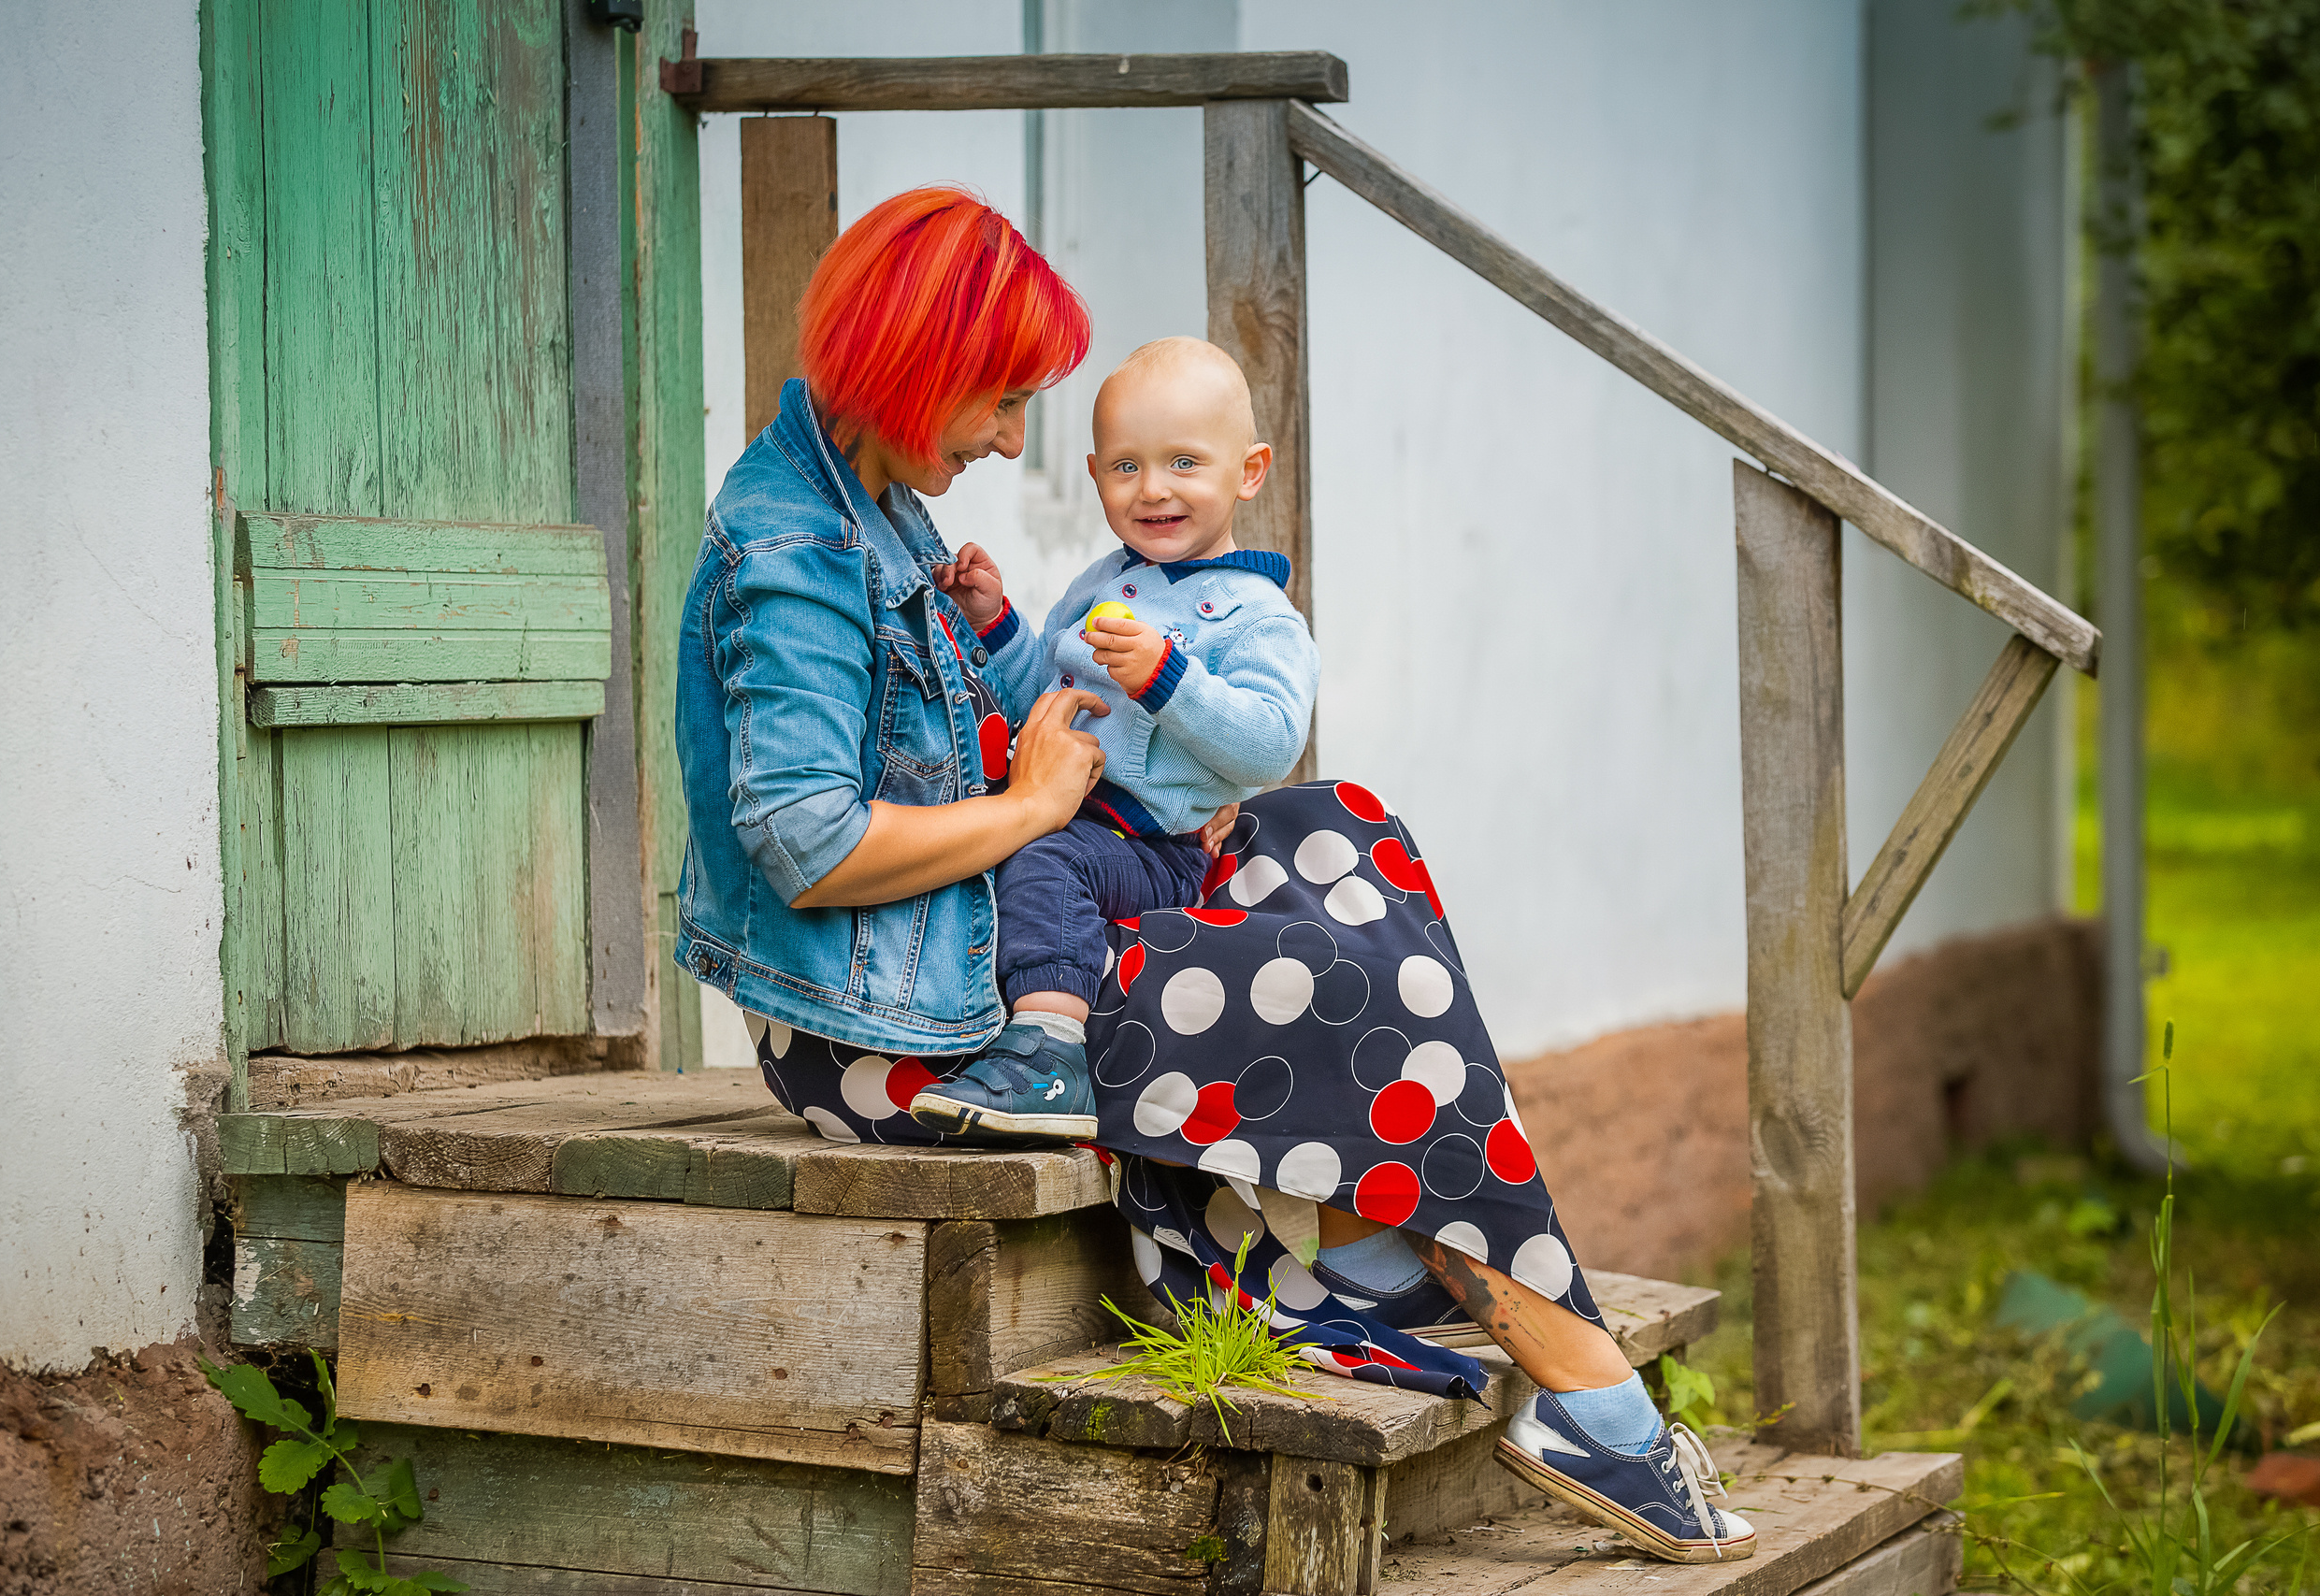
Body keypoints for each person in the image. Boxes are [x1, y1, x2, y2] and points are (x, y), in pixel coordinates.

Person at [673, 185, 1752, 1564]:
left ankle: (1392, 1244)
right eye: (999, 402)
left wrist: (1037, 739)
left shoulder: (876, 509)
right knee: (1342, 979)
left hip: (993, 923)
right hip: (894, 1027)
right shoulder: (798, 553)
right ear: (915, 372)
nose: (1012, 439)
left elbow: (1067, 719)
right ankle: (1583, 1383)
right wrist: (1029, 804)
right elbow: (810, 846)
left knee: (1342, 827)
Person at [909, 338, 1319, 1143]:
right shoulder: (1100, 584)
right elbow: (1046, 699)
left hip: (1154, 847)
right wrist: (995, 623)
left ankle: (1050, 1056)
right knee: (983, 839)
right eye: (1127, 467)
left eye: (1184, 464)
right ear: (1095, 474)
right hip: (1067, 812)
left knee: (1045, 859)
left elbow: (1271, 745)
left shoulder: (1258, 615)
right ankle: (956, 1037)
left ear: (1249, 470)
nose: (1154, 489)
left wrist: (1169, 679)